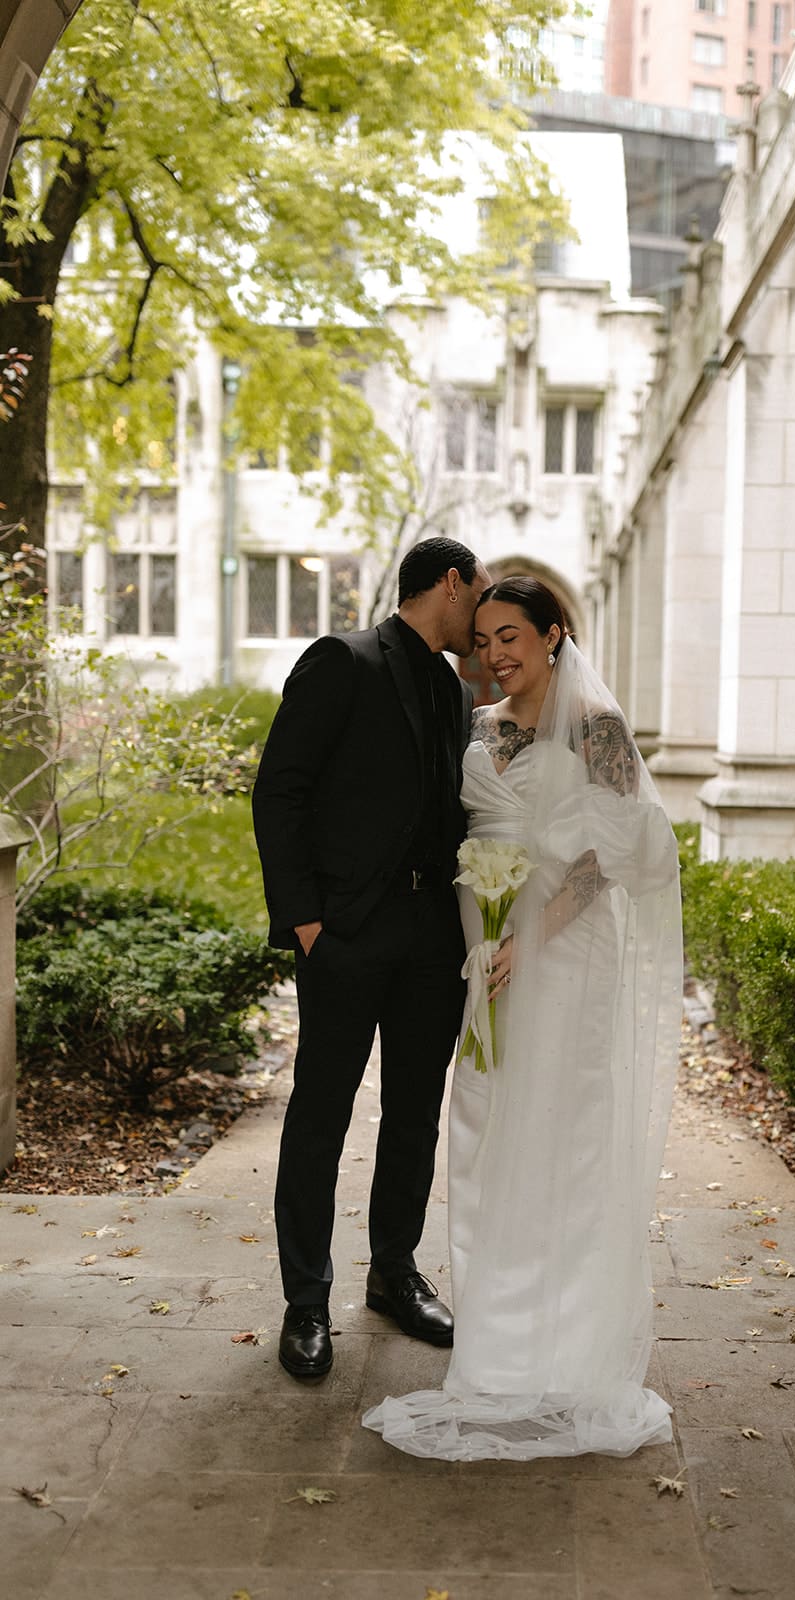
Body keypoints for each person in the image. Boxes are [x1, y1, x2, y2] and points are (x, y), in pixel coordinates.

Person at [363, 576, 683, 1459]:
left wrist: (527, 940)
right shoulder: (479, 727)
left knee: (559, 1132)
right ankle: (496, 1346)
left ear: (553, 635)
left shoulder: (596, 730)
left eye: (511, 636)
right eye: (484, 640)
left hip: (563, 957)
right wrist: (484, 945)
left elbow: (624, 849)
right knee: (486, 1127)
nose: (495, 654)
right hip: (486, 963)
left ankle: (565, 1351)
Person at [252, 536, 492, 1380]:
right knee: (320, 1116)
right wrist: (305, 921)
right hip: (346, 934)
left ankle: (394, 1273)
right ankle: (305, 1300)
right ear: (451, 583)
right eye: (481, 594)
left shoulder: (457, 689)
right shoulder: (342, 660)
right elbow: (278, 788)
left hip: (433, 939)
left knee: (415, 1113)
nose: (484, 615)